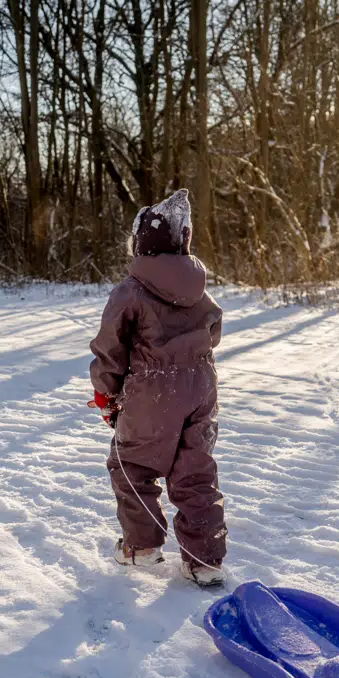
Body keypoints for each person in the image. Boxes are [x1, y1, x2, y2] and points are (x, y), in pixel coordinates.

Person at [88, 189, 227, 587]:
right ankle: (205, 560)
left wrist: (106, 395)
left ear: (141, 245)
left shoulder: (130, 290)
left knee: (131, 464)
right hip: (201, 387)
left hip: (153, 389)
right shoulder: (198, 289)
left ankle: (142, 547)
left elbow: (109, 350)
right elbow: (213, 329)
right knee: (195, 470)